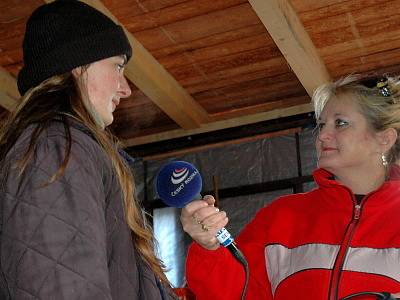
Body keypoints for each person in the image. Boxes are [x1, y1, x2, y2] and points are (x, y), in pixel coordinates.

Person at [0, 1, 176, 299]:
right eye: (118, 67)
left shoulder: (69, 147)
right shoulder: (57, 148)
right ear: (78, 66)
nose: (126, 88)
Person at [180, 74, 400, 299]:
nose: (322, 135)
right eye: (321, 124)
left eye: (340, 123)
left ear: (384, 139)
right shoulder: (281, 217)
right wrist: (208, 247)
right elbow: (236, 293)